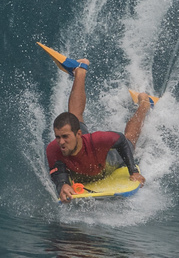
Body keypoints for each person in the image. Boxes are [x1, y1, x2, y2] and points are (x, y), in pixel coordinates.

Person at [46, 55, 152, 203]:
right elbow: (58, 171)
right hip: (83, 157)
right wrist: (62, 185)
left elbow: (120, 140)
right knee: (73, 116)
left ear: (78, 134)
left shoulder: (98, 140)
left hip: (106, 162)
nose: (61, 142)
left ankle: (145, 104)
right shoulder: (53, 149)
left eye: (64, 137)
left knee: (129, 139)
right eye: (57, 137)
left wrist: (133, 171)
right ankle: (80, 69)